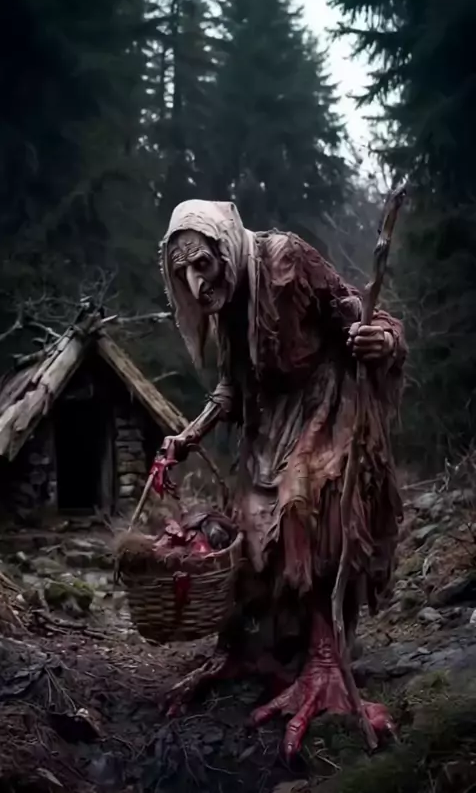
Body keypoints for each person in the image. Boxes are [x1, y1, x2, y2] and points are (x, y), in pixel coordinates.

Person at [159, 199, 407, 757]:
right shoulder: (228, 300)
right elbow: (231, 385)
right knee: (248, 519)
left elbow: (358, 310)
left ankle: (325, 657)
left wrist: (382, 340)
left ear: (225, 247)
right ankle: (248, 647)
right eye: (183, 273)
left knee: (304, 504)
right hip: (272, 417)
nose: (196, 282)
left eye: (202, 264)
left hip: (327, 399)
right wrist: (187, 437)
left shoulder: (285, 260)